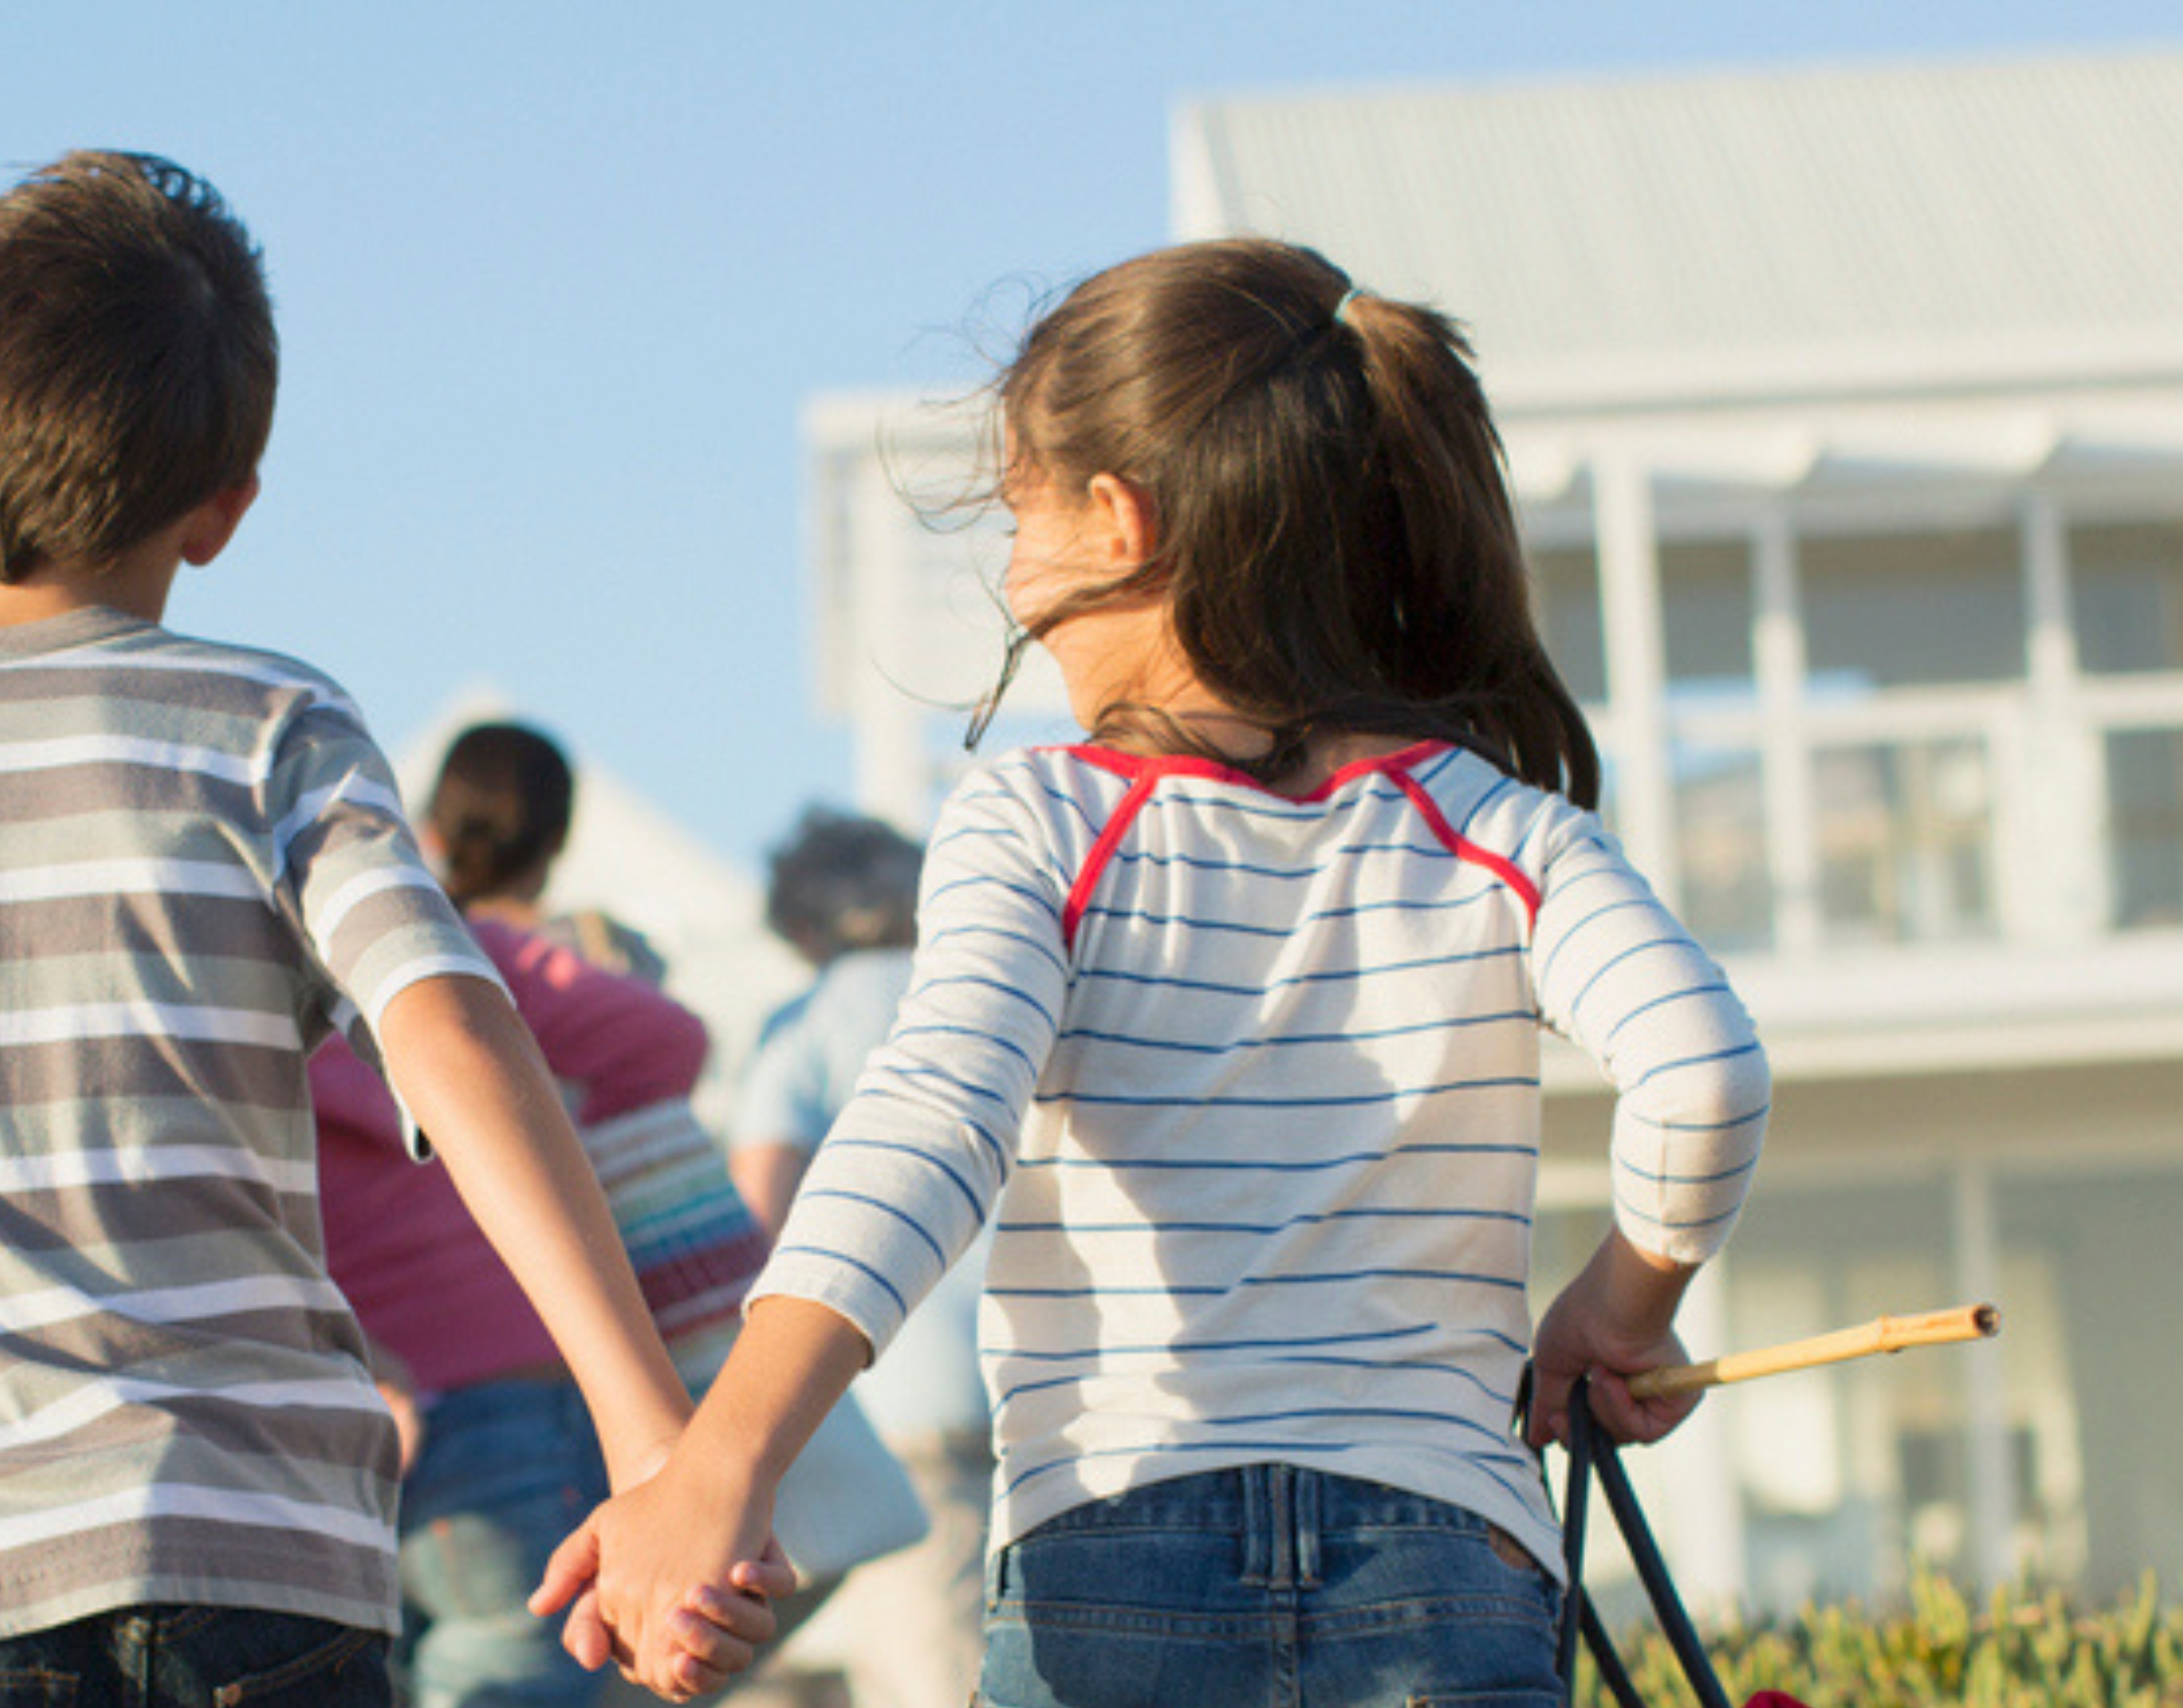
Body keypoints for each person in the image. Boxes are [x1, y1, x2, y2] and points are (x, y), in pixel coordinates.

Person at [0, 152, 765, 1708]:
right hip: (259, 1590)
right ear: (223, 509)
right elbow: (454, 1031)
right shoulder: (272, 731)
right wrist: (645, 1425)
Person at [539, 237, 1773, 1707]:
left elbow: (934, 1121)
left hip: (1120, 1561)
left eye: (1017, 516)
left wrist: (721, 1461)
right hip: (1449, 1575)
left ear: (1117, 524)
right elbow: (1704, 1073)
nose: (1007, 573)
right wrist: (1620, 1312)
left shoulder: (1046, 817)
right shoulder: (1499, 827)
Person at [315, 722, 775, 1708]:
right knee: (513, 1665)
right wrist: (544, 1114)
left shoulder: (235, 973)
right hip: (508, 1393)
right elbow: (667, 1042)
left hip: (328, 1402)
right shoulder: (459, 952)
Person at [720, 808, 983, 1708]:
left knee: (931, 1678)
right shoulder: (987, 993)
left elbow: (758, 1219)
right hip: (1055, 1388)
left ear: (801, 926)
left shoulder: (810, 1020)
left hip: (901, 1392)